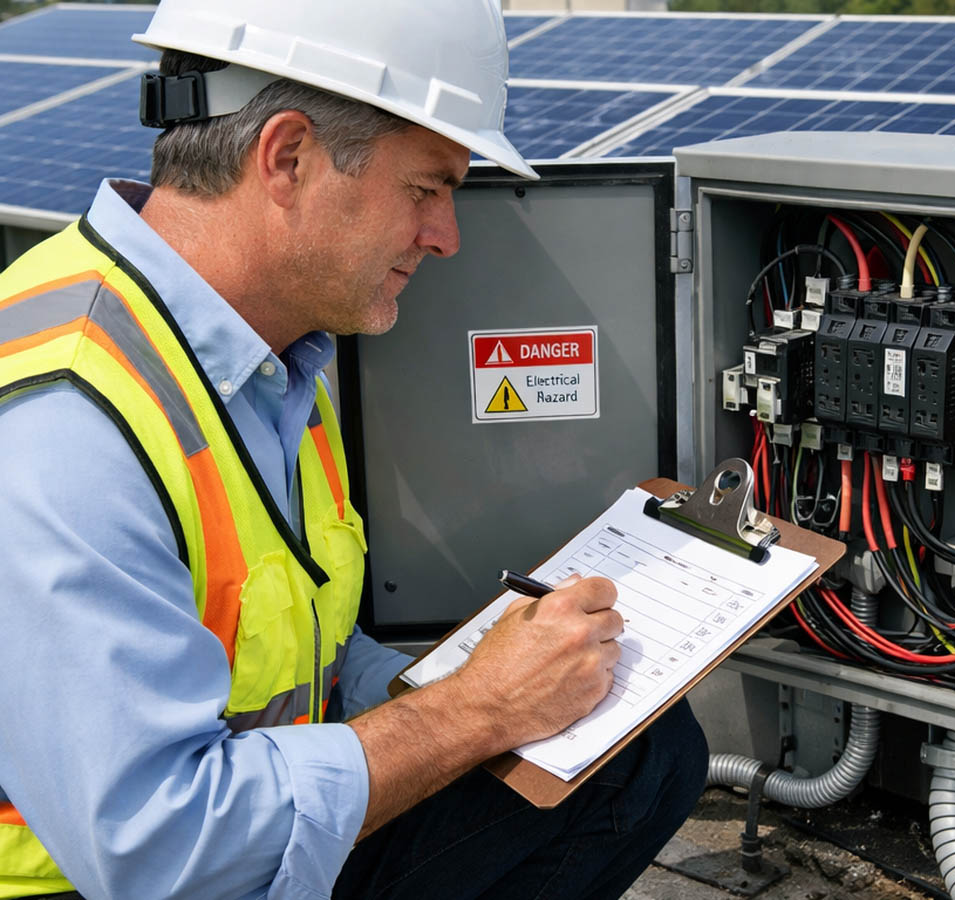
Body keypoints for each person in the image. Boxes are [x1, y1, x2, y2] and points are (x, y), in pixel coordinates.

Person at [0, 1, 708, 897]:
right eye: (425, 189)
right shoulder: (67, 425)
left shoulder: (270, 356)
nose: (447, 237)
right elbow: (158, 851)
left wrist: (474, 674)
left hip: (240, 844)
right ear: (288, 158)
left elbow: (309, 665)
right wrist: (476, 708)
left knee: (640, 752)